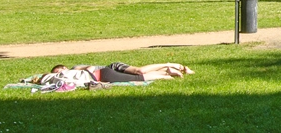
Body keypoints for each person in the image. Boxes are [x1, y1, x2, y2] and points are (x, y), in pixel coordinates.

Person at [47, 62, 194, 84]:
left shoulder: (75, 68)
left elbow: (91, 67)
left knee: (139, 71)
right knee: (138, 76)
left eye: (59, 70)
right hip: (108, 73)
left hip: (112, 67)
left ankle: (172, 65)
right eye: (57, 73)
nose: (60, 73)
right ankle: (168, 71)